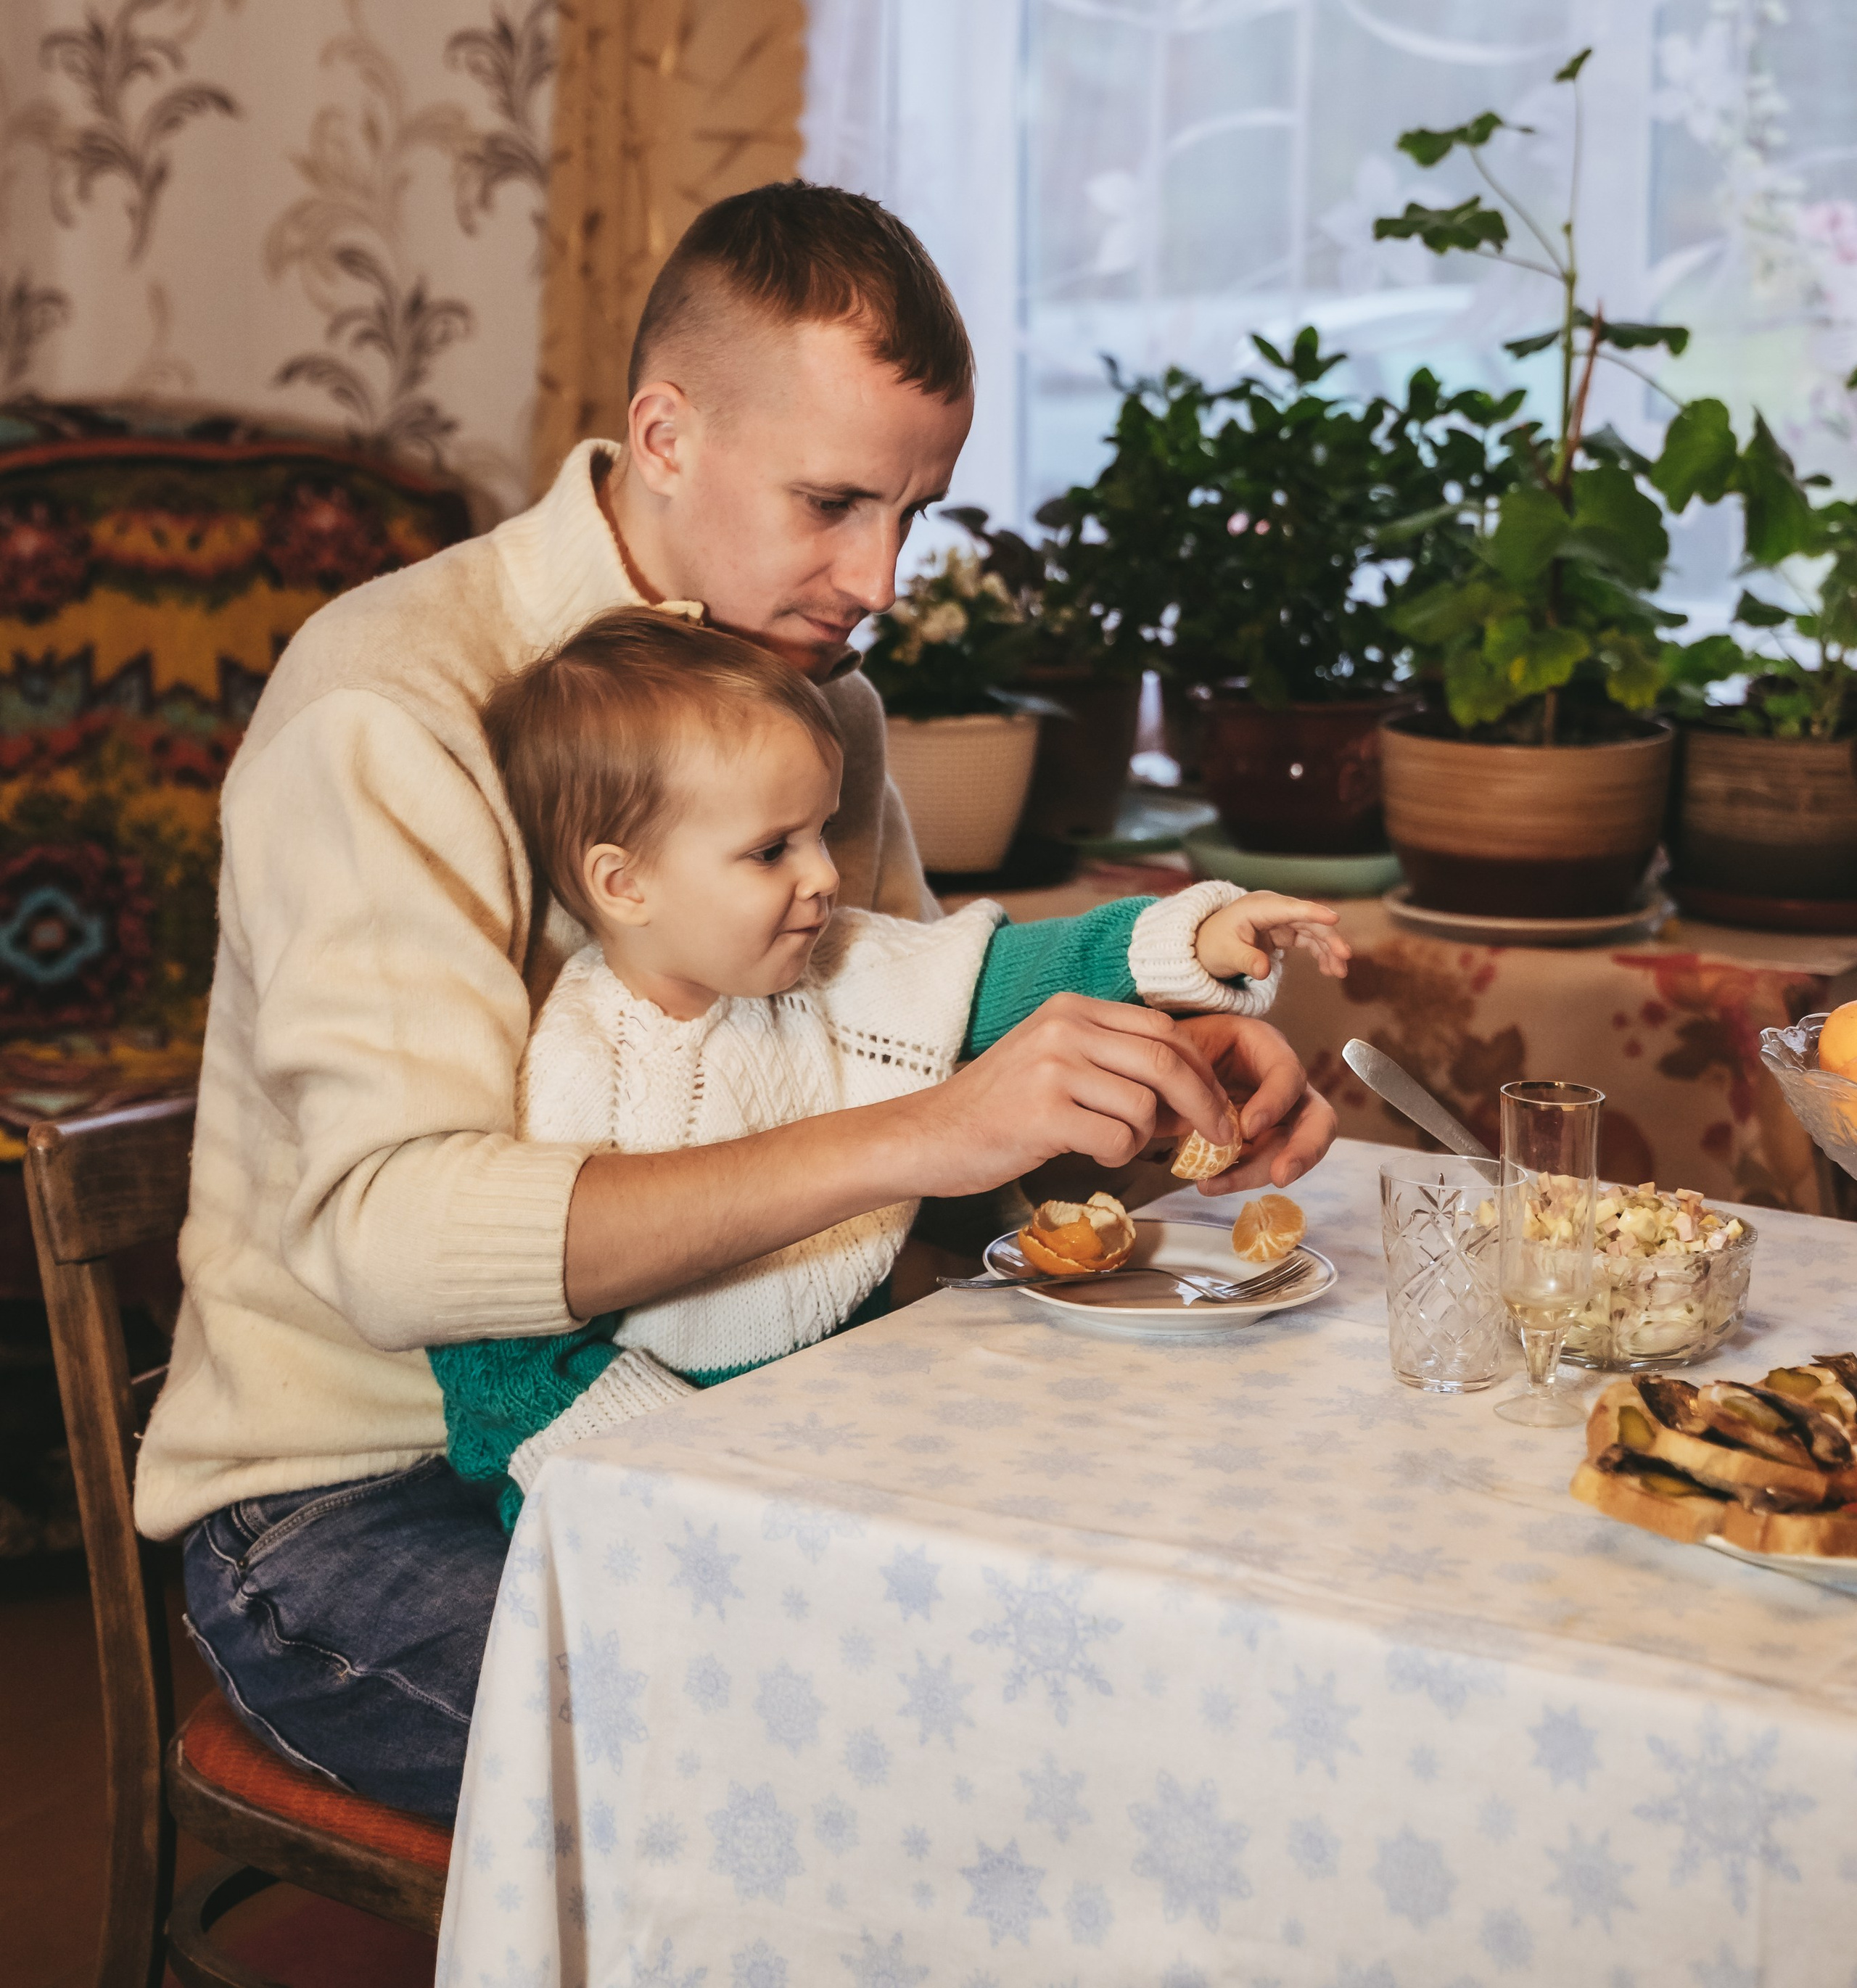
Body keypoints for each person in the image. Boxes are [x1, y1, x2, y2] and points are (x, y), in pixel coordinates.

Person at [136, 181, 1337, 1820]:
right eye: (836, 500)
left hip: (729, 1426)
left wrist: (1127, 1080)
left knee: (1107, 1650)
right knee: (854, 1768)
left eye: (913, 511)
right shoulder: (390, 705)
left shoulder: (807, 696)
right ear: (665, 430)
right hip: (352, 1507)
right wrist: (929, 1122)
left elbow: (919, 1098)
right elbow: (396, 1239)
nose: (884, 576)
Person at [431, 609, 1350, 1523]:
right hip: (662, 1500)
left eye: (822, 833)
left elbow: (1014, 973)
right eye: (771, 850)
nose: (826, 876)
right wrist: (687, 1472)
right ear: (622, 883)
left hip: (872, 1429)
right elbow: (507, 1375)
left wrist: (1197, 935)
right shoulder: (567, 1070)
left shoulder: (838, 962)